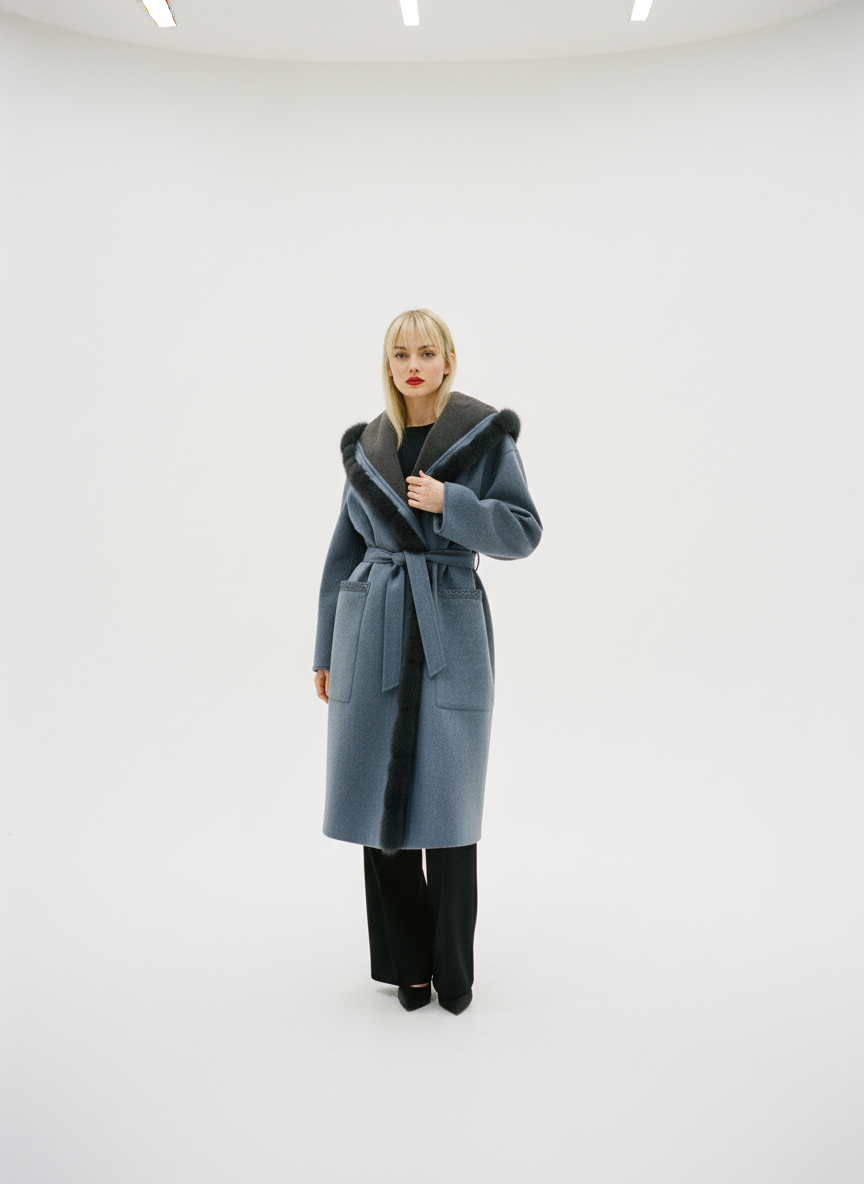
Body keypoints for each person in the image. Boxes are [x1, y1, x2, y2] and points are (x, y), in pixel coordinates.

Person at [312, 308, 542, 1014]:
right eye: (400, 354)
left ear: (448, 359)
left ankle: (453, 973)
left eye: (426, 352)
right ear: (388, 365)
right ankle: (407, 968)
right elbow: (342, 553)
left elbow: (523, 532)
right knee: (375, 810)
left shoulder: (483, 436)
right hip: (372, 627)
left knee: (447, 810)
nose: (413, 365)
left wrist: (452, 504)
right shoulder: (368, 446)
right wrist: (325, 649)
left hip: (448, 623)